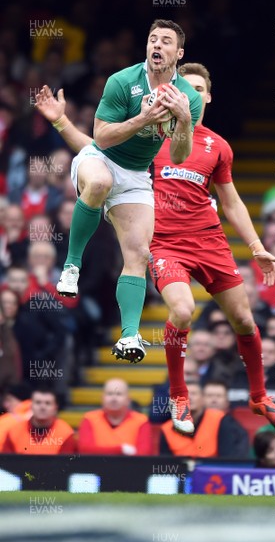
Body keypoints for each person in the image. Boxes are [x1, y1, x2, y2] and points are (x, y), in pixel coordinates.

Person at [34, 63, 275, 436]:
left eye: (199, 88)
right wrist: (60, 123)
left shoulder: (217, 146)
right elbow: (95, 150)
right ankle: (179, 395)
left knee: (245, 321)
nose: (192, 93)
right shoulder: (148, 136)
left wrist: (256, 246)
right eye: (186, 86)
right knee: (183, 311)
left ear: (205, 97)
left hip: (210, 240)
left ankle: (259, 395)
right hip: (166, 244)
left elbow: (232, 202)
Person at [35, 19, 202, 365]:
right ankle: (71, 265)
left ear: (179, 53)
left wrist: (184, 121)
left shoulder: (189, 97)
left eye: (166, 41)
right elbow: (103, 138)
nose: (157, 45)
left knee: (139, 253)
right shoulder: (122, 81)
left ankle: (129, 336)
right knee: (98, 183)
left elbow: (182, 156)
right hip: (99, 159)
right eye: (152, 39)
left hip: (137, 176)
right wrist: (143, 119)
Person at [159, 381, 247, 458]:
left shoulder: (221, 420)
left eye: (194, 394)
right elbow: (166, 464)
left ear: (203, 399)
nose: (189, 397)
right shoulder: (167, 429)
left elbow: (228, 459)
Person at [78, 378, 152, 455]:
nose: (114, 398)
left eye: (119, 394)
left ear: (128, 400)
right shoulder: (90, 419)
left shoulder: (141, 421)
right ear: (102, 398)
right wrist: (121, 449)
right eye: (109, 394)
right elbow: (84, 450)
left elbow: (144, 453)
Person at [2, 387, 76, 454]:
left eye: (48, 403)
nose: (42, 407)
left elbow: (67, 465)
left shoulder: (66, 433)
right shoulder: (14, 431)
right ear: (30, 406)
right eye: (38, 402)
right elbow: (5, 463)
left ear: (55, 408)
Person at [202, 380, 249, 458]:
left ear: (227, 402)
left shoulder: (237, 430)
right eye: (209, 396)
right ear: (201, 400)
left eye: (219, 396)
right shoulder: (190, 425)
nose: (214, 400)